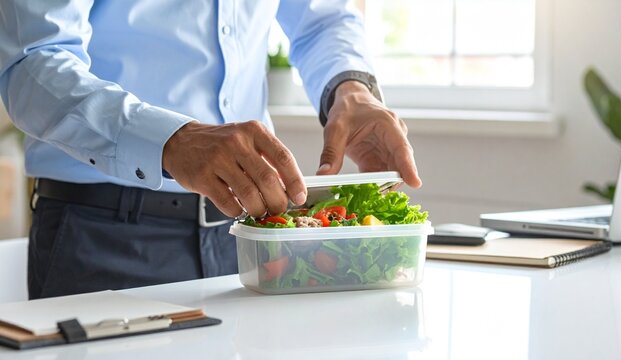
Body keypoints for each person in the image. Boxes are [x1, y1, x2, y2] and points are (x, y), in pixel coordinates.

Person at [0, 0, 422, 299]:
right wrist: (170, 139)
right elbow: (33, 62)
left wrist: (350, 88)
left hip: (253, 239)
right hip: (105, 239)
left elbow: (322, 18)